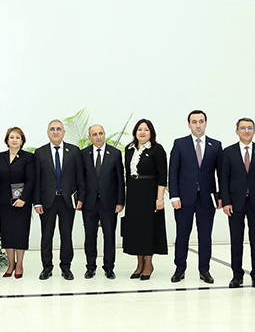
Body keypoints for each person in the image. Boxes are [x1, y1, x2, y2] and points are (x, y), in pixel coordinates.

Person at [169, 110, 222, 283]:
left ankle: (204, 270)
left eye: (201, 121)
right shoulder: (180, 144)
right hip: (184, 199)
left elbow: (221, 173)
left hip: (207, 199)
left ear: (206, 123)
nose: (198, 125)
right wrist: (174, 196)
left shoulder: (216, 145)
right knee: (182, 235)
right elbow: (173, 171)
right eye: (194, 122)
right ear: (189, 124)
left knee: (205, 236)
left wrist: (221, 196)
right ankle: (180, 269)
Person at [219, 118, 255, 289]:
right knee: (236, 240)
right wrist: (226, 202)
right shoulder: (228, 152)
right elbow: (224, 179)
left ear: (254, 131)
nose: (246, 131)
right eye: (243, 128)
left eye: (250, 128)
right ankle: (237, 275)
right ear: (237, 131)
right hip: (235, 203)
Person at [34, 119, 85, 280]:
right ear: (48, 133)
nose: (55, 132)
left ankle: (66, 267)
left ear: (63, 132)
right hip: (47, 201)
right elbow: (36, 179)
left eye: (58, 129)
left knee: (66, 235)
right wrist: (37, 202)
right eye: (52, 129)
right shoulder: (40, 152)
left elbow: (80, 177)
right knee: (46, 235)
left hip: (67, 201)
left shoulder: (74, 151)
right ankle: (47, 267)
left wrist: (80, 198)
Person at [122, 119, 167, 280]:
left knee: (148, 228)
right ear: (135, 132)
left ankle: (148, 264)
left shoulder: (157, 149)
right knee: (136, 229)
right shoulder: (129, 149)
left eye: (146, 130)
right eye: (139, 129)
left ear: (151, 133)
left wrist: (159, 198)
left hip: (150, 193)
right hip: (134, 193)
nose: (142, 132)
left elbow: (162, 176)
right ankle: (139, 263)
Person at [81, 124, 125, 279]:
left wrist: (120, 202)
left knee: (109, 236)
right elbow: (80, 180)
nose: (98, 137)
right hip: (89, 203)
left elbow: (120, 180)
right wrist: (80, 200)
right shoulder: (83, 154)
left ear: (104, 134)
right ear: (89, 138)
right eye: (94, 134)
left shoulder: (115, 153)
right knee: (90, 237)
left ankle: (109, 267)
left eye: (100, 133)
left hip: (109, 203)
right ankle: (90, 267)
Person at [0, 126, 36, 278]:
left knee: (20, 234)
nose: (14, 140)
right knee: (7, 234)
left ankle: (19, 264)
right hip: (4, 202)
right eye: (11, 137)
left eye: (17, 137)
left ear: (22, 141)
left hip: (22, 203)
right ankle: (11, 264)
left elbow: (31, 179)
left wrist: (23, 199)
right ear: (7, 140)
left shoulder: (28, 157)